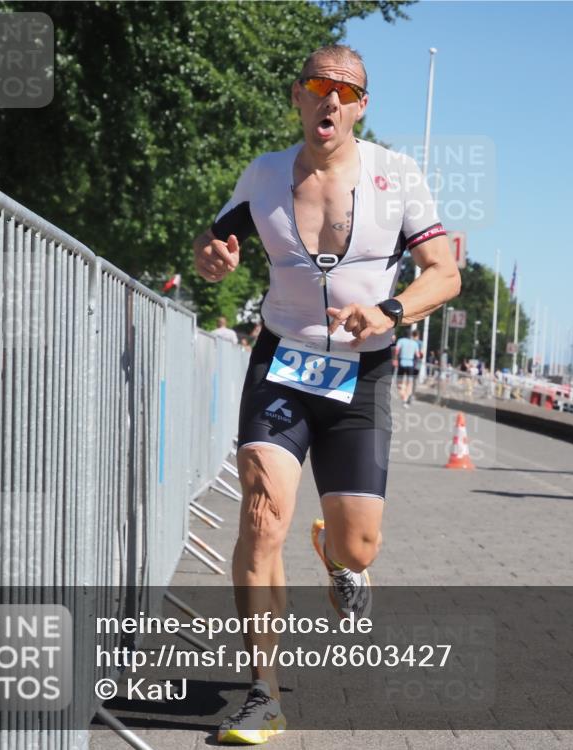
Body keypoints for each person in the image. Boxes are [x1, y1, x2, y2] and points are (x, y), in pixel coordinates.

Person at [192, 44, 460, 745]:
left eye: (347, 90)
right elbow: (213, 243)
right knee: (261, 515)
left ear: (361, 106)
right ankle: (262, 693)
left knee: (362, 544)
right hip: (281, 360)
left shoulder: (395, 178)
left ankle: (339, 559)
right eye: (319, 86)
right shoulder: (265, 174)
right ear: (299, 98)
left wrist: (393, 312)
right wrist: (212, 256)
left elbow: (445, 272)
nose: (331, 99)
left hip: (362, 371)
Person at [393, 328, 422, 407]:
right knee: (410, 382)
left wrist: (395, 359)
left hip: (402, 362)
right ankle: (406, 398)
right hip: (410, 364)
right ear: (411, 336)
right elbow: (418, 355)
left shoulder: (401, 340)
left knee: (399, 381)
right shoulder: (415, 343)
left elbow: (396, 350)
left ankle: (402, 395)